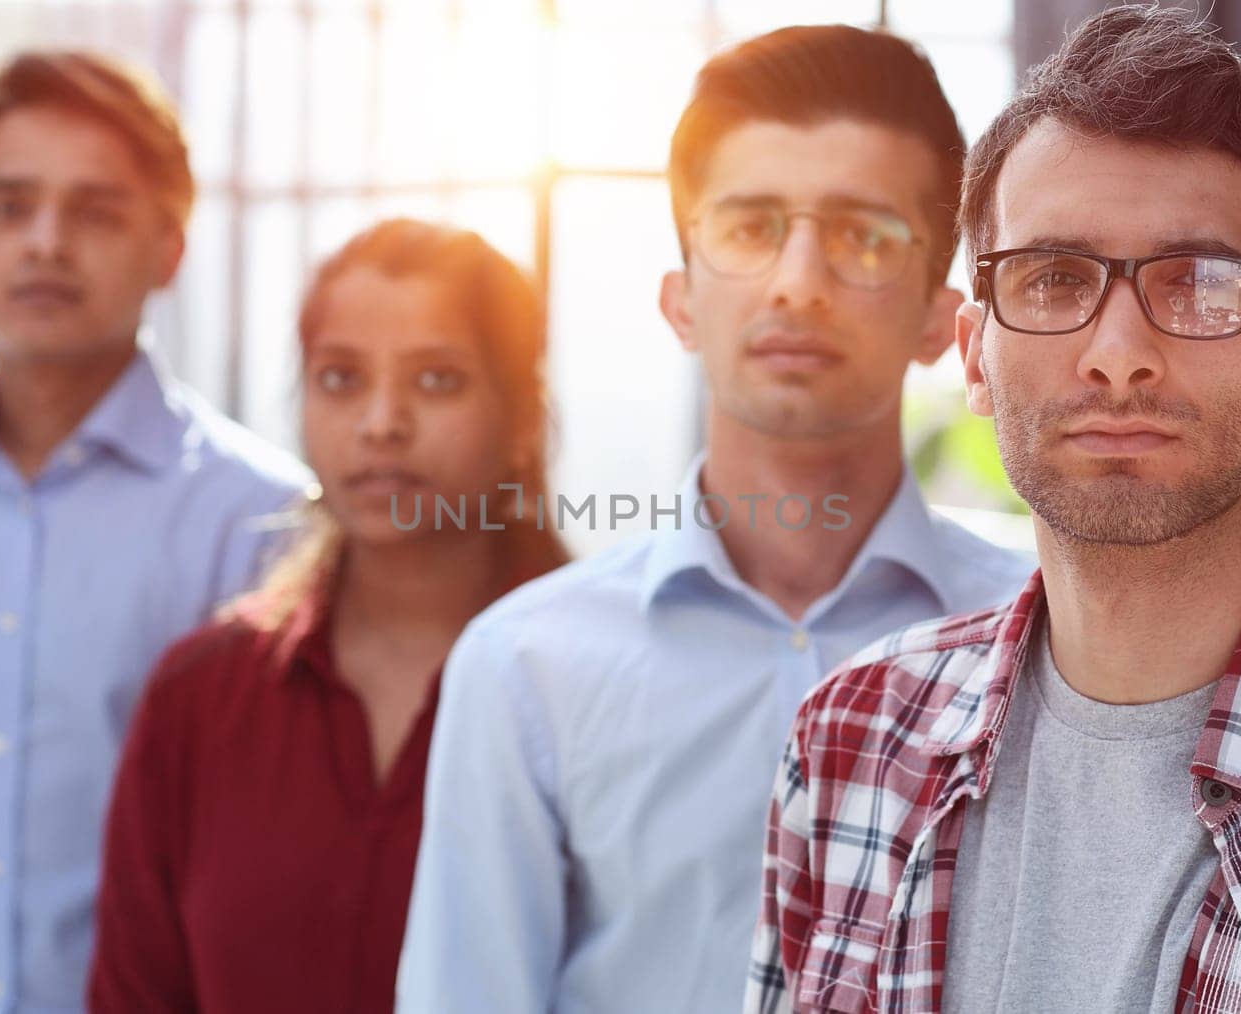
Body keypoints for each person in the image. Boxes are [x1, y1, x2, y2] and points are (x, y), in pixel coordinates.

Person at [747, 7, 1241, 1014]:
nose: (1117, 352)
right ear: (975, 357)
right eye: (1055, 278)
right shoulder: (850, 741)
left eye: (1197, 283)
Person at [399, 25, 1034, 1014]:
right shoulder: (525, 666)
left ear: (936, 320)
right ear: (681, 300)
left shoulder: (1046, 639)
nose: (796, 280)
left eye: (863, 236)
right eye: (748, 228)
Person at [0, 51, 307, 1011]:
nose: (45, 242)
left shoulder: (265, 520)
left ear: (169, 248)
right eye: (6, 208)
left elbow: (280, 872)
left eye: (95, 211)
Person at [88, 218, 569, 1013]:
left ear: (521, 423)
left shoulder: (595, 688)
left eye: (437, 380)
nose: (382, 422)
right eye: (341, 379)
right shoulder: (200, 697)